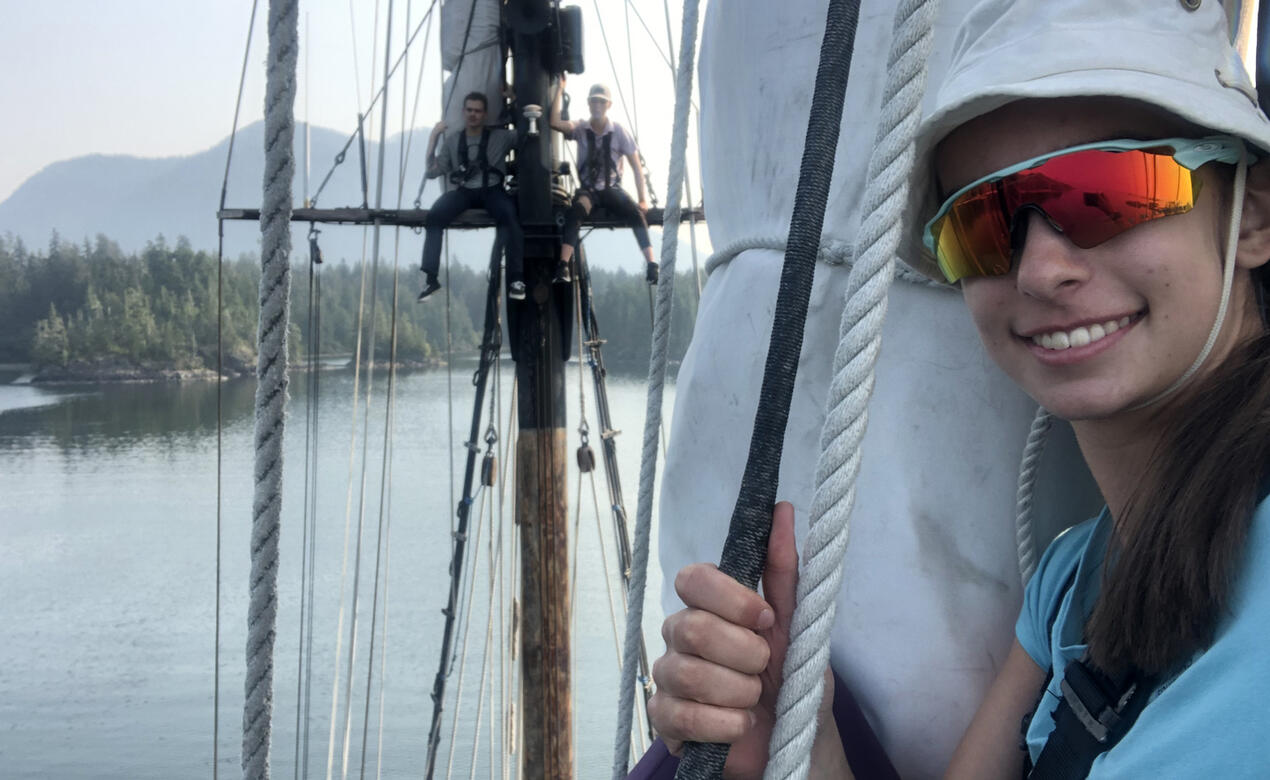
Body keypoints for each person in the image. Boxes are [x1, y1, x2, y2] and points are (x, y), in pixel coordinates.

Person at [647, 0, 1270, 777]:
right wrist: (795, 745)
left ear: (1253, 215)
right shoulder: (1074, 581)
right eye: (982, 224)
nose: (1042, 269)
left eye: (1108, 191)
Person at [549, 78, 658, 285]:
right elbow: (554, 123)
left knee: (635, 213)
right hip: (589, 191)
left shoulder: (618, 132)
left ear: (608, 105)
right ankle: (563, 265)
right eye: (594, 101)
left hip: (611, 190)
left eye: (601, 101)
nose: (597, 105)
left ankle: (652, 264)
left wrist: (643, 199)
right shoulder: (581, 128)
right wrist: (559, 90)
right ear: (589, 104)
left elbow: (636, 167)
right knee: (576, 212)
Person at [418, 91, 525, 302]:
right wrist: (433, 137)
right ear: (463, 111)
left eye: (477, 111)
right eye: (469, 110)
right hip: (465, 192)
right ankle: (430, 278)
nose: (473, 115)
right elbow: (432, 172)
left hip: (493, 191)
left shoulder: (500, 137)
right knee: (435, 216)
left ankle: (516, 279)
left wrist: (515, 102)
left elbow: (526, 134)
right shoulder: (452, 141)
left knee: (509, 216)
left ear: (485, 114)